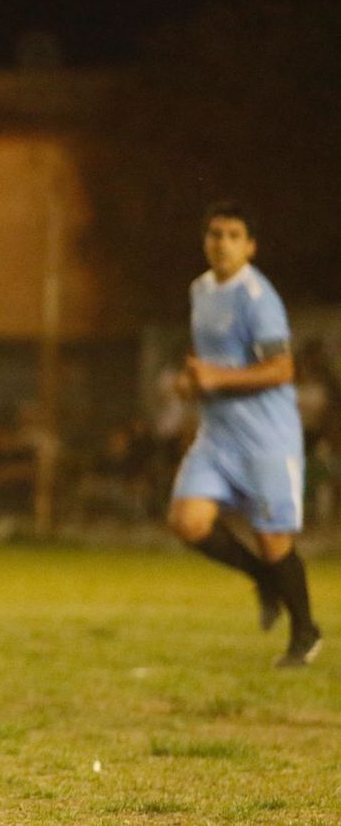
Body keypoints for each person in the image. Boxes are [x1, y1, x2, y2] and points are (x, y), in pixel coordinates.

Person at [166, 201, 321, 668]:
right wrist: (191, 380)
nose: (223, 243)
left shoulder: (259, 297)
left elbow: (282, 368)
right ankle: (263, 579)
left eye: (234, 235)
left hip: (266, 440)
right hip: (218, 436)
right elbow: (207, 355)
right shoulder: (201, 289)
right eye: (215, 233)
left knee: (274, 541)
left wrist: (216, 379)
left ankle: (305, 632)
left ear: (250, 246)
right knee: (187, 521)